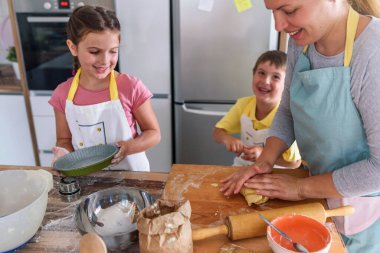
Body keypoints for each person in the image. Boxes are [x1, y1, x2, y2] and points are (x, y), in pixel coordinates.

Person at [220, 0, 380, 252]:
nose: (279, 25)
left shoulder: (373, 51)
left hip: (364, 216)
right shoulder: (302, 44)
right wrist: (266, 161)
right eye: (273, 12)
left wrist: (300, 188)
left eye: (289, 10)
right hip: (318, 199)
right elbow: (287, 110)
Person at [49, 5, 160, 171]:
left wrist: (128, 147)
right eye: (95, 52)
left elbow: (153, 133)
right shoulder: (62, 94)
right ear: (73, 47)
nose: (105, 60)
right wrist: (64, 155)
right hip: (87, 180)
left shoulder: (130, 87)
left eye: (113, 51)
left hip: (133, 178)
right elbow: (64, 139)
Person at [213, 50, 301, 168]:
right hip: (243, 166)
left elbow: (295, 163)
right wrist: (228, 140)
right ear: (253, 74)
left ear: (287, 85)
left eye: (275, 77)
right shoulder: (243, 105)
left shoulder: (286, 115)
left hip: (275, 174)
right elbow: (217, 132)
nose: (266, 81)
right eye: (261, 73)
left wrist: (264, 155)